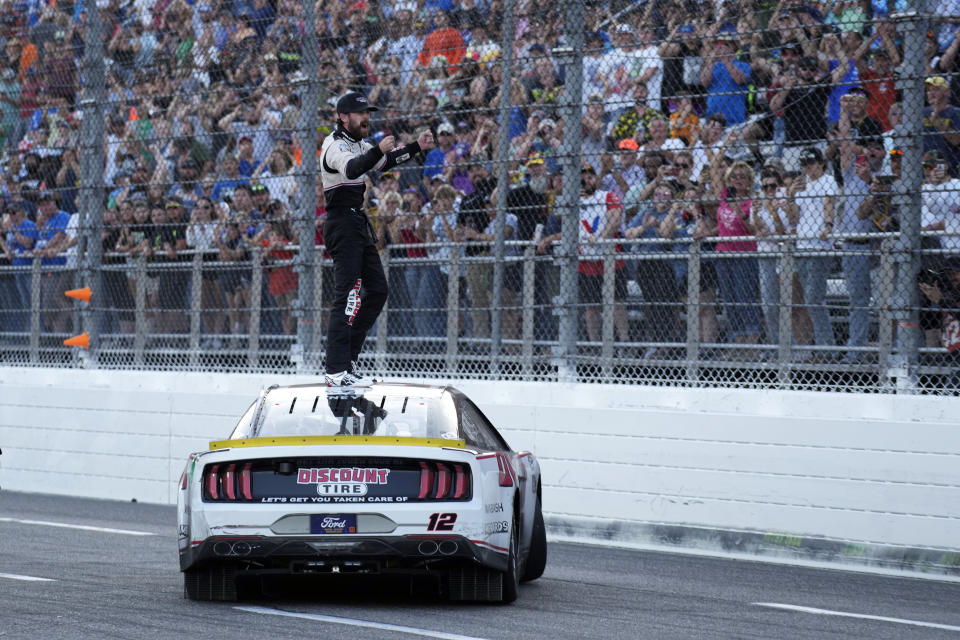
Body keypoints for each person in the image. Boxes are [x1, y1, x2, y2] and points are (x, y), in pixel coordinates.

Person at [319, 91, 435, 386]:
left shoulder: (358, 143)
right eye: (360, 113)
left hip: (358, 221)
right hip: (342, 222)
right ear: (343, 117)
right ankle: (335, 369)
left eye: (367, 112)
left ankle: (348, 361)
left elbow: (385, 161)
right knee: (347, 295)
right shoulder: (333, 145)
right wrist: (375, 152)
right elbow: (353, 168)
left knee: (378, 289)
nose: (366, 117)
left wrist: (416, 147)